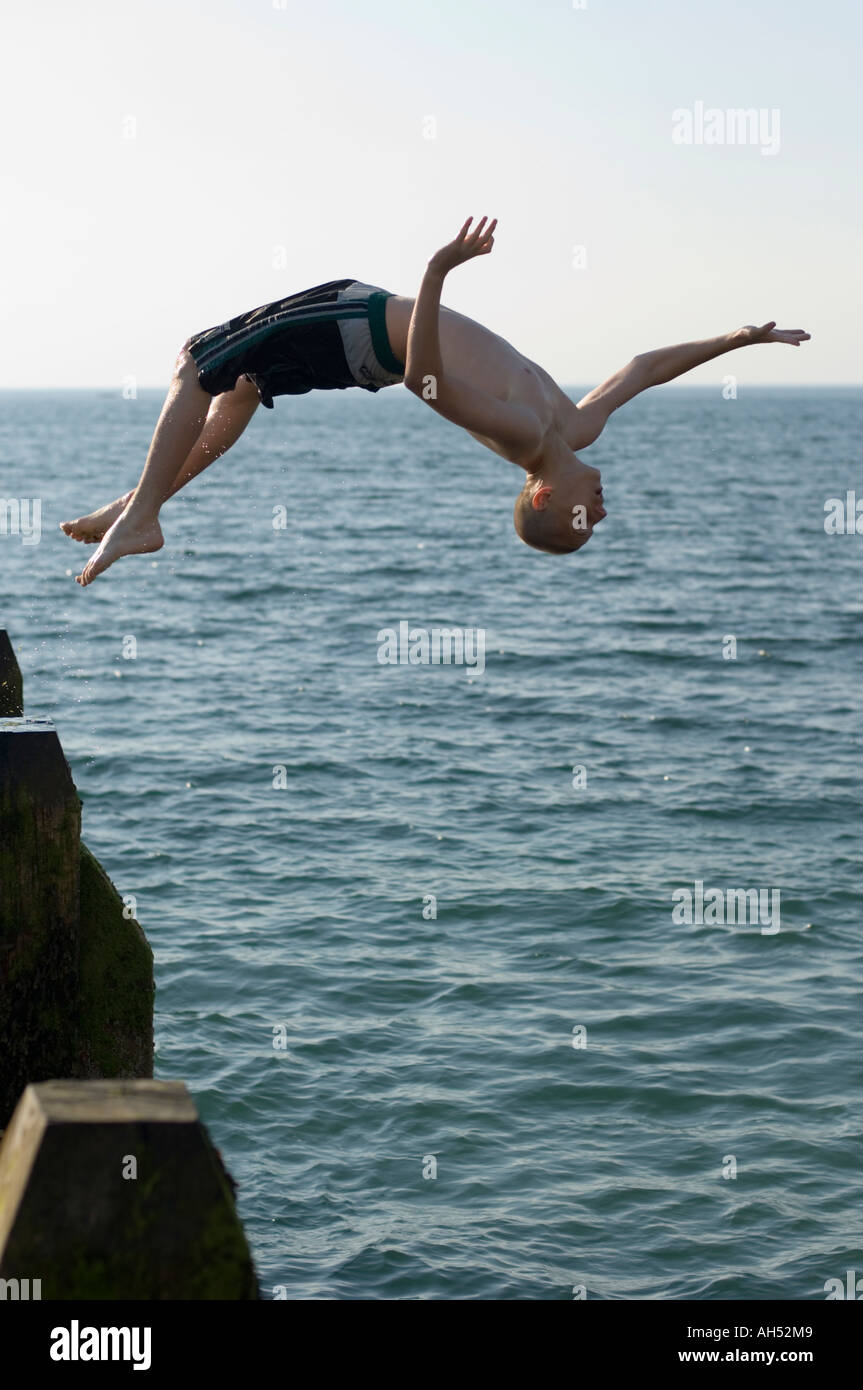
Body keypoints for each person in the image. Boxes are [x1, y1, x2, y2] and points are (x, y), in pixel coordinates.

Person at [63, 216, 810, 582]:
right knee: (245, 387)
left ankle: (141, 517)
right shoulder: (575, 428)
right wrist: (735, 340)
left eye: (584, 518)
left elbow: (424, 383)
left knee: (199, 365)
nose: (603, 509)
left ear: (545, 497)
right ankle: (137, 503)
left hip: (364, 330)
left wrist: (434, 272)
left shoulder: (520, 433)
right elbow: (644, 366)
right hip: (360, 335)